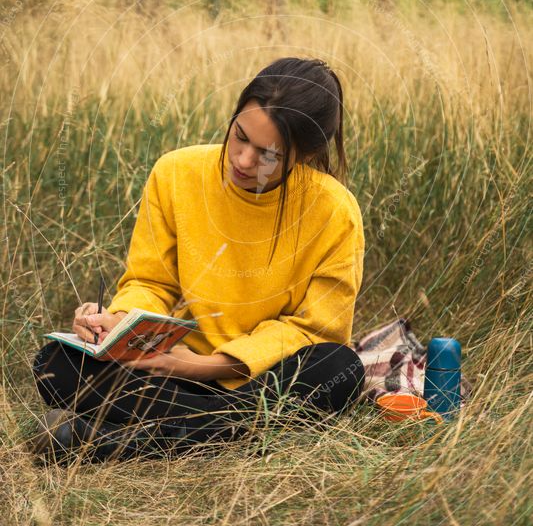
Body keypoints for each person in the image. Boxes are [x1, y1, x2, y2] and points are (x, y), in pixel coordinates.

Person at [30, 57, 366, 463]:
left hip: (257, 379)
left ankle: (115, 443)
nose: (242, 160)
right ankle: (226, 432)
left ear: (306, 154)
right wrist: (119, 322)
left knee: (338, 366)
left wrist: (203, 367)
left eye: (268, 155)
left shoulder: (335, 211)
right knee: (56, 363)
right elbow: (152, 283)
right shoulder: (176, 173)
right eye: (239, 136)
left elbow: (316, 330)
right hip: (164, 370)